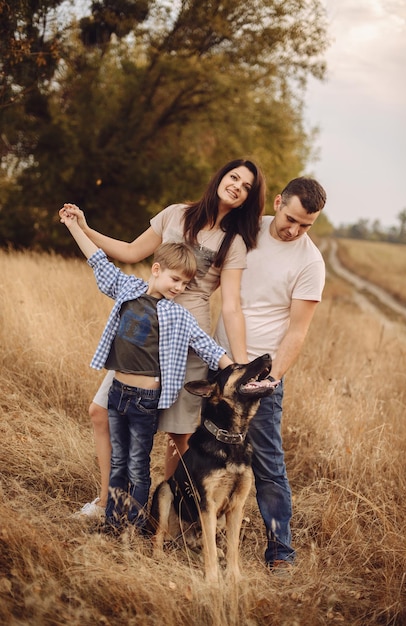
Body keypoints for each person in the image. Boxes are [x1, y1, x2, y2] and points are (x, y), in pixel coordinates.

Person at [59, 158, 265, 517]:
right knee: (101, 412)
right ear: (220, 176)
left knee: (178, 434)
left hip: (187, 337)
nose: (237, 186)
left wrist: (241, 363)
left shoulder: (233, 242)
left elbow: (230, 306)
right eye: (234, 177)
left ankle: (166, 515)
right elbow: (127, 251)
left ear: (248, 198)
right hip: (145, 328)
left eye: (247, 186)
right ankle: (108, 500)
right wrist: (84, 228)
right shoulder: (174, 214)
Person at [60, 209, 233, 532]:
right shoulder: (128, 290)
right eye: (175, 279)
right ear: (156, 269)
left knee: (138, 466)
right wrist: (74, 226)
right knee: (119, 464)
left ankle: (137, 527)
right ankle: (113, 522)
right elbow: (99, 262)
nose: (179, 287)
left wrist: (233, 370)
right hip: (117, 394)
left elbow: (207, 347)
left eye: (185, 283)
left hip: (144, 401)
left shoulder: (178, 316)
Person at [214, 176, 327, 572]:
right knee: (200, 446)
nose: (295, 230)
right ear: (278, 202)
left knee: (267, 460)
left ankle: (280, 552)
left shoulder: (310, 262)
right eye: (291, 218)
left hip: (262, 375)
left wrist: (270, 379)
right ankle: (190, 527)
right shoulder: (247, 229)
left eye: (306, 225)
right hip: (219, 363)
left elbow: (298, 331)